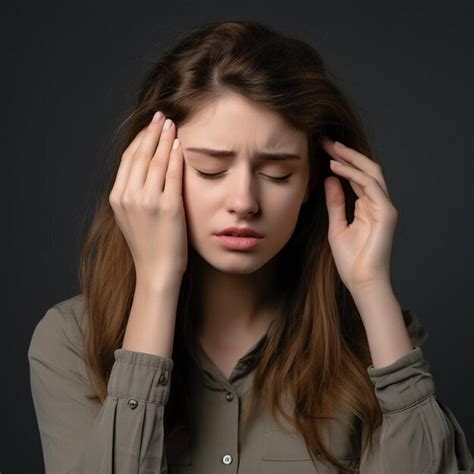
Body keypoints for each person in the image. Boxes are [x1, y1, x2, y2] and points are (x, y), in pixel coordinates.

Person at [28, 19, 473, 473]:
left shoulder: (375, 338)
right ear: (150, 170)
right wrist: (157, 280)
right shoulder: (69, 342)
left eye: (277, 174)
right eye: (209, 170)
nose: (243, 202)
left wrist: (371, 286)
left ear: (311, 182)